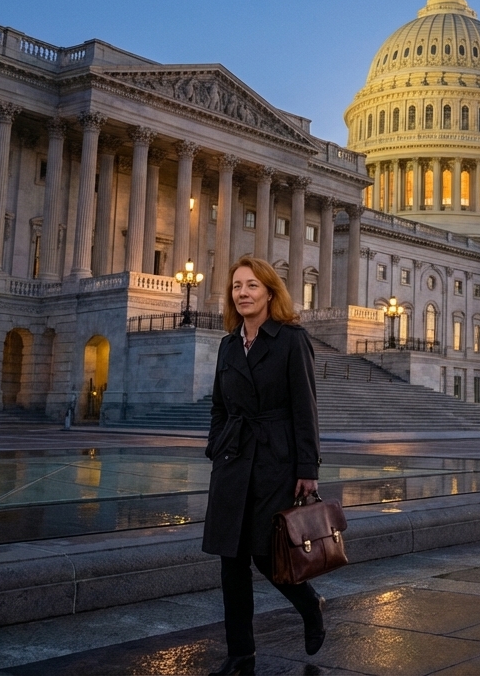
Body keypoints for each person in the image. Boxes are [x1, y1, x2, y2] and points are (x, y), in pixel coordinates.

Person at [202, 257, 326, 676]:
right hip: (234, 460)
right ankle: (240, 655)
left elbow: (305, 408)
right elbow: (219, 406)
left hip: (276, 459)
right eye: (237, 286)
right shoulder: (227, 345)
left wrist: (307, 468)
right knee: (230, 561)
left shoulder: (291, 339)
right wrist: (216, 447)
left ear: (270, 292)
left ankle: (309, 604)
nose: (243, 293)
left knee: (266, 554)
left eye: (252, 285)